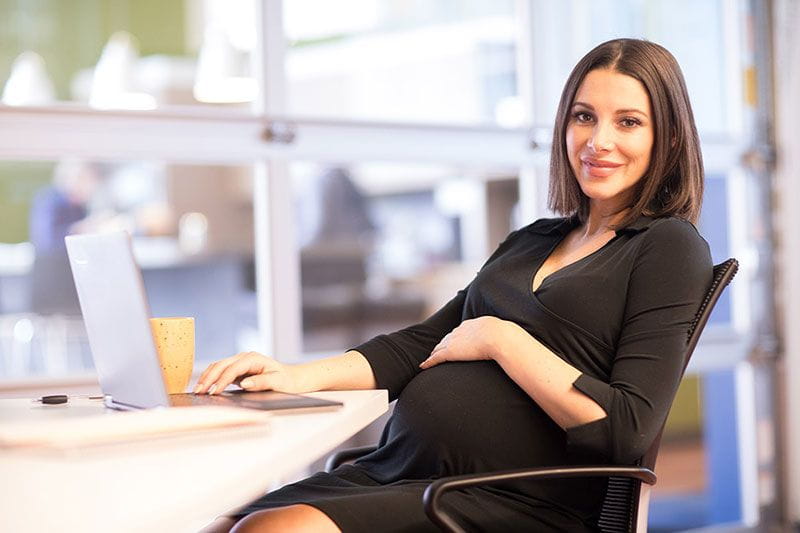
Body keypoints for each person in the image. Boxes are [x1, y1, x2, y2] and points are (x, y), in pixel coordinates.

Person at [196, 38, 712, 533]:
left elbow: (627, 427)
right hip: (399, 473)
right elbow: (425, 343)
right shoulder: (534, 239)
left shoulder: (666, 246)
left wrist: (501, 339)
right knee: (214, 524)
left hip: (507, 499)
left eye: (628, 122)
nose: (599, 141)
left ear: (666, 137)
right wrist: (294, 375)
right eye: (584, 116)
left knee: (271, 530)